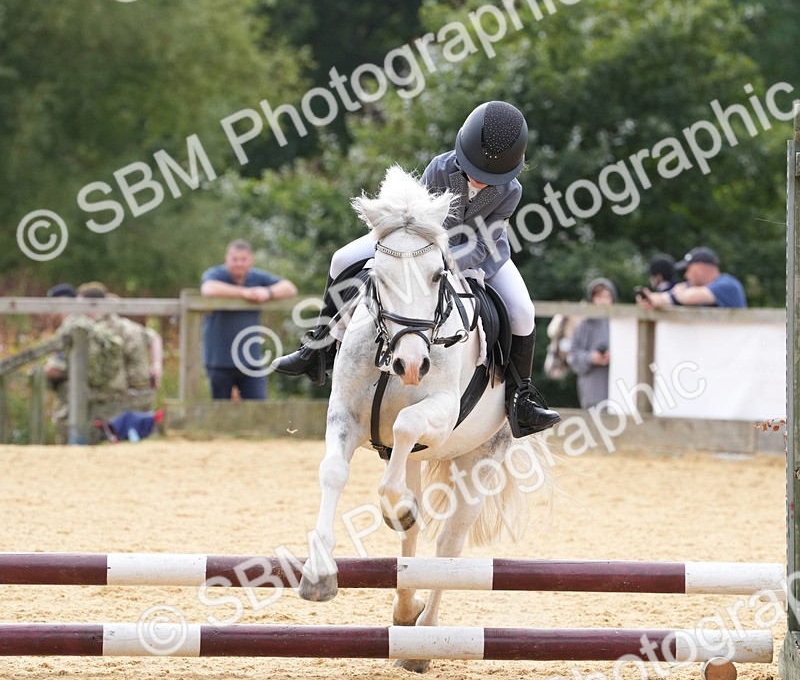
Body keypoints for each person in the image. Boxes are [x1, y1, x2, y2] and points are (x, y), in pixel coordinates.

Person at [274, 100, 560, 436]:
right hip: (420, 245)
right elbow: (417, 226)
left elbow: (483, 245)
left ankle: (520, 396)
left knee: (523, 312)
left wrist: (450, 261)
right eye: (476, 172)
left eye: (490, 178)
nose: (481, 182)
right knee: (340, 258)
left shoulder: (511, 190)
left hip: (482, 254)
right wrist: (428, 257)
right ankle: (317, 347)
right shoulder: (439, 169)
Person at [45, 282, 161, 443]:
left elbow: (54, 368)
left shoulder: (81, 329)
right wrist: (157, 367)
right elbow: (154, 337)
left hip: (95, 399)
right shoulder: (123, 325)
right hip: (132, 396)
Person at [200, 240, 297, 400]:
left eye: (243, 259)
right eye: (234, 259)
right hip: (219, 360)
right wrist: (244, 293)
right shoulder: (216, 274)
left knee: (258, 411)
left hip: (251, 359)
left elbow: (290, 288)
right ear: (227, 259)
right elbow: (208, 289)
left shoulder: (256, 277)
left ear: (250, 260)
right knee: (220, 414)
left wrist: (268, 292)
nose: (239, 263)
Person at [636, 246, 747, 309]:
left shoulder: (728, 285)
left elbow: (690, 297)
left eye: (688, 269)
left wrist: (679, 292)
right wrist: (650, 299)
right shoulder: (690, 287)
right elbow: (664, 298)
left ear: (700, 266)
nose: (686, 275)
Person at [567, 278, 616, 409]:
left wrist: (616, 356)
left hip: (619, 389)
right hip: (592, 389)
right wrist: (590, 357)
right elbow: (572, 356)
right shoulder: (583, 326)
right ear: (592, 299)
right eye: (599, 296)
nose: (603, 301)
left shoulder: (622, 325)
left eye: (607, 296)